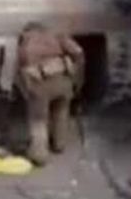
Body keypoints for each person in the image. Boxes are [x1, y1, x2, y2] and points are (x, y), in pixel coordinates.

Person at [14, 22, 84, 166]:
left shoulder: (25, 44)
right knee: (61, 111)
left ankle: (39, 155)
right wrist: (76, 71)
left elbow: (20, 71)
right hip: (63, 80)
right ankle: (59, 144)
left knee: (38, 120)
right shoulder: (57, 35)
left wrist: (25, 91)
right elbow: (78, 51)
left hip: (39, 84)